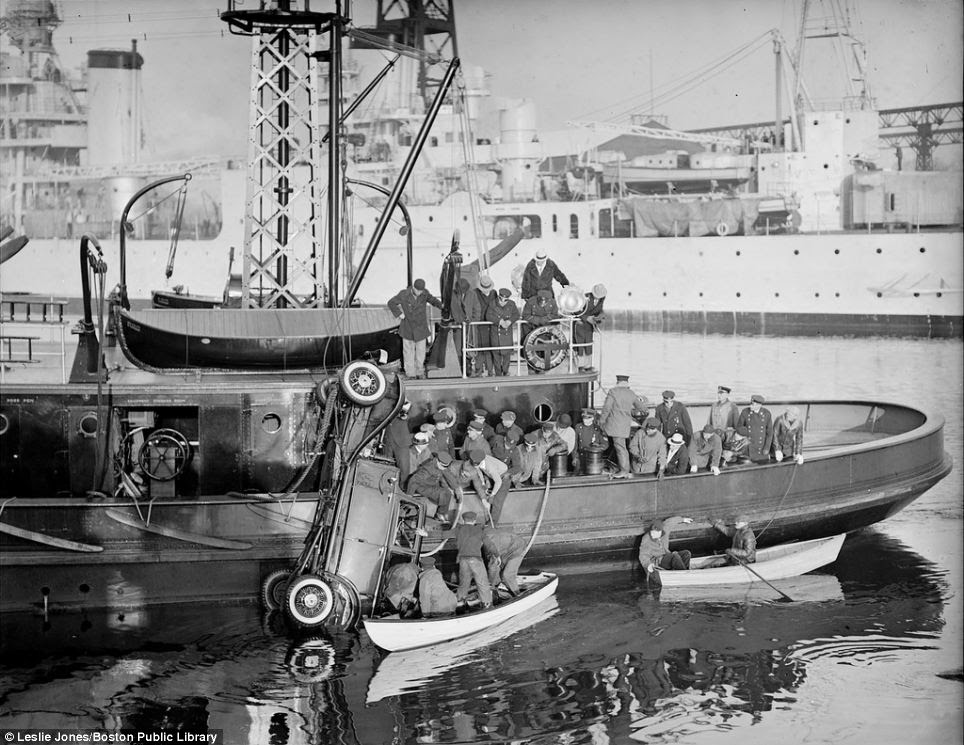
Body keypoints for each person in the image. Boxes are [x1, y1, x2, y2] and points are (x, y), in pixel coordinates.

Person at [386, 278, 442, 379]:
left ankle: (420, 372)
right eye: (417, 290)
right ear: (413, 288)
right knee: (408, 352)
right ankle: (410, 374)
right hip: (408, 328)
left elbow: (433, 300)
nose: (419, 293)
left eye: (421, 291)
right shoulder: (403, 294)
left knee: (421, 352)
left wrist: (442, 306)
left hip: (421, 328)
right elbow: (391, 303)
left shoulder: (425, 293)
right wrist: (399, 314)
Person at [599, 374, 650, 478]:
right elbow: (642, 408)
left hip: (614, 426)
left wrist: (601, 421)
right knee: (621, 447)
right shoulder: (631, 393)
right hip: (625, 427)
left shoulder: (613, 392)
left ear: (618, 382)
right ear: (626, 383)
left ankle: (624, 471)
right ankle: (622, 468)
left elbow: (607, 408)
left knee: (620, 448)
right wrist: (629, 412)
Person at [450, 511, 492, 609]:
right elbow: (489, 544)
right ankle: (486, 604)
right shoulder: (479, 530)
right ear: (474, 520)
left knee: (464, 583)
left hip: (463, 561)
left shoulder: (458, 530)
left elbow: (442, 534)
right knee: (482, 582)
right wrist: (497, 555)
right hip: (476, 560)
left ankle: (460, 603)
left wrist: (425, 533)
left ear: (463, 520)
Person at [637, 516, 694, 586]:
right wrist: (648, 565)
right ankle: (686, 576)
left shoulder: (665, 529)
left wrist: (683, 519)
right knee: (674, 556)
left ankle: (682, 572)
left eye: (656, 532)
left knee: (686, 553)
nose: (654, 534)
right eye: (653, 532)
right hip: (658, 561)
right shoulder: (646, 539)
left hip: (667, 556)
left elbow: (670, 522)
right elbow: (643, 555)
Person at [406, 451, 460, 520]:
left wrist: (456, 487)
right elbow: (414, 480)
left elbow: (448, 474)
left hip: (432, 484)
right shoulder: (428, 468)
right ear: (438, 461)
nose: (444, 468)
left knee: (447, 493)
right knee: (444, 493)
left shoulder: (440, 465)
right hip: (423, 487)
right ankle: (439, 515)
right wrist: (409, 496)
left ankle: (441, 513)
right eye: (443, 466)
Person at [468, 448, 510, 524]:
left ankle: (492, 523)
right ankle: (488, 518)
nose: (476, 466)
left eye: (477, 465)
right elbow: (478, 471)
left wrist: (492, 495)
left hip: (503, 478)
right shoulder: (477, 459)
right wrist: (483, 484)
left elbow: (498, 481)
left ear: (481, 462)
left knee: (497, 501)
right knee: (488, 497)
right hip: (491, 476)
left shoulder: (490, 467)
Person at [483, 526, 527, 596]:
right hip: (505, 549)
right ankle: (496, 591)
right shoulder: (482, 532)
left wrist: (490, 585)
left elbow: (493, 565)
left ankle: (518, 595)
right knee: (497, 575)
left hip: (517, 549)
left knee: (507, 575)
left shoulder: (489, 542)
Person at [452, 277, 483, 376]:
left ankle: (468, 369)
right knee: (458, 348)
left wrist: (474, 321)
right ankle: (459, 369)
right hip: (457, 327)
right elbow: (447, 310)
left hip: (470, 327)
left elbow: (477, 309)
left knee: (470, 347)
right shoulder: (452, 295)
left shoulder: (472, 294)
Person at [572, 283, 606, 372]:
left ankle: (588, 365)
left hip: (589, 326)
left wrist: (600, 316)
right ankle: (580, 366)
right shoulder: (584, 298)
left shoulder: (601, 300)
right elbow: (575, 309)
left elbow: (599, 310)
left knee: (588, 344)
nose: (598, 298)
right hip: (580, 324)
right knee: (580, 344)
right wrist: (586, 318)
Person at [485, 288, 520, 375]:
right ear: (498, 297)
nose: (503, 302)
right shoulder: (492, 304)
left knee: (507, 354)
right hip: (496, 334)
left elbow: (516, 314)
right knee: (496, 355)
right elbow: (488, 316)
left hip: (507, 334)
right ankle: (498, 373)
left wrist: (510, 321)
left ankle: (505, 370)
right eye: (501, 299)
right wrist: (499, 321)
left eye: (505, 300)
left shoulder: (512, 304)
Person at [384, 399, 414, 487]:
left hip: (402, 440)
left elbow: (409, 410)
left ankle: (400, 490)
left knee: (404, 469)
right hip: (387, 440)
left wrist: (405, 413)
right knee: (385, 466)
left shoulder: (403, 399)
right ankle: (387, 489)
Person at [737, 394, 774, 463]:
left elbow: (770, 433)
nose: (751, 406)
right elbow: (739, 427)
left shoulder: (766, 414)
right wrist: (746, 432)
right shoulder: (745, 412)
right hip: (748, 448)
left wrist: (767, 448)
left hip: (761, 448)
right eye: (751, 404)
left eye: (753, 404)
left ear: (759, 405)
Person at [474, 275, 498, 376]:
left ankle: (490, 370)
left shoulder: (494, 293)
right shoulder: (475, 293)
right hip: (480, 324)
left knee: (490, 348)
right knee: (479, 348)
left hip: (491, 324)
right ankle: (478, 370)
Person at [572, 408, 608, 473]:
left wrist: (598, 447)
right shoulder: (578, 427)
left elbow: (605, 444)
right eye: (584, 418)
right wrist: (574, 457)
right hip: (581, 457)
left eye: (587, 419)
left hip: (594, 459)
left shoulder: (598, 429)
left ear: (592, 418)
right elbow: (574, 445)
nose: (585, 421)